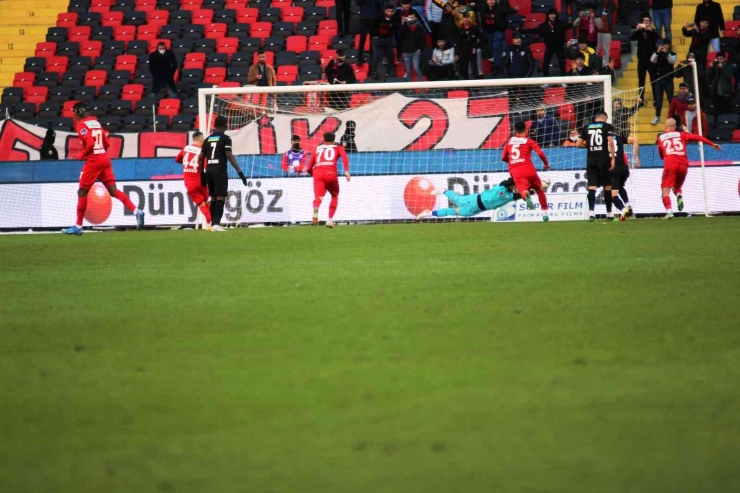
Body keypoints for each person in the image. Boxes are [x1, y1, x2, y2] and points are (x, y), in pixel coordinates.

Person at [62, 102, 145, 235]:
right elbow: (106, 143)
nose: (74, 116)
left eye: (74, 113)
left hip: (93, 161)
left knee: (82, 192)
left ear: (78, 112)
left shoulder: (82, 125)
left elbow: (89, 143)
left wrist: (81, 155)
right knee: (113, 191)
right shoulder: (95, 122)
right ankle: (137, 211)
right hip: (104, 158)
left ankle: (78, 226)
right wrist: (100, 152)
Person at [656, 118, 720, 219]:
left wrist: (664, 156)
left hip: (670, 164)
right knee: (676, 187)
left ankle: (669, 212)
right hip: (683, 165)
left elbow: (660, 153)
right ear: (675, 127)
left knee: (665, 191)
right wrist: (711, 144)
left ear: (665, 127)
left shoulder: (661, 138)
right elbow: (697, 137)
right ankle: (679, 195)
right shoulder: (681, 134)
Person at [198, 116, 248, 232]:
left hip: (209, 169)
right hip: (219, 169)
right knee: (220, 196)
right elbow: (229, 155)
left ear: (215, 126)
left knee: (213, 196)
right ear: (226, 125)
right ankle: (216, 224)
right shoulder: (226, 138)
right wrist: (240, 172)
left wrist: (201, 174)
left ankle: (213, 223)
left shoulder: (207, 139)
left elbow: (201, 157)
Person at [500, 121, 551, 221]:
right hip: (529, 168)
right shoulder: (529, 141)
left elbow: (503, 157)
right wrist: (546, 164)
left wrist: (512, 161)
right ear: (526, 130)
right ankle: (545, 214)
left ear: (515, 131)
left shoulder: (509, 141)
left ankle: (526, 195)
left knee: (523, 191)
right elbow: (540, 153)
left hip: (516, 171)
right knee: (539, 190)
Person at [415, 177, 531, 219]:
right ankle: (443, 190)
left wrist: (534, 188)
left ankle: (427, 213)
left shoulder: (510, 196)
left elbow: (522, 195)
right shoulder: (502, 186)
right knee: (456, 199)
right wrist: (520, 179)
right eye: (515, 186)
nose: (516, 188)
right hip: (474, 200)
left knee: (451, 211)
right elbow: (511, 180)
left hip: (476, 210)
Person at [576, 110, 616, 221]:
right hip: (603, 159)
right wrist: (613, 158)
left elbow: (578, 144)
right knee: (607, 186)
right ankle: (609, 214)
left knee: (592, 187)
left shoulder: (586, 126)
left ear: (596, 118)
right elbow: (611, 142)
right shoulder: (608, 126)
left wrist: (588, 146)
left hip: (591, 160)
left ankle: (592, 213)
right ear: (605, 119)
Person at [306, 131, 350, 228]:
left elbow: (308, 168)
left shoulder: (316, 148)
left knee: (318, 197)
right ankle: (329, 220)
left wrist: (315, 176)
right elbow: (344, 157)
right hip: (331, 173)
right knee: (334, 195)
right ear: (334, 141)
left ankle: (316, 209)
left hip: (318, 173)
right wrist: (346, 171)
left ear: (323, 140)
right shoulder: (338, 147)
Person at [175, 132, 211, 230]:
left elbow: (177, 159)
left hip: (189, 183)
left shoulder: (185, 149)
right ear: (200, 140)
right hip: (200, 181)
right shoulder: (202, 152)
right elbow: (205, 168)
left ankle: (210, 223)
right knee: (206, 202)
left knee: (201, 204)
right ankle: (212, 223)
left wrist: (187, 165)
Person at [526, 8, 572, 81]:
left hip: (559, 47)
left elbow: (570, 25)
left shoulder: (561, 23)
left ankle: (564, 81)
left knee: (562, 63)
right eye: (550, 14)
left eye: (553, 14)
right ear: (548, 15)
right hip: (549, 47)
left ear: (556, 15)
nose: (552, 16)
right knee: (545, 64)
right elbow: (534, 30)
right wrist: (522, 30)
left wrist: (577, 19)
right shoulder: (544, 25)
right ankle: (547, 81)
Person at [478, 0, 518, 74]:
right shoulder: (484, 8)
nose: (491, 1)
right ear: (486, 1)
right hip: (488, 31)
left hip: (498, 31)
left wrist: (514, 10)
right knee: (499, 48)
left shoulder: (499, 8)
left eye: (493, 0)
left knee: (496, 47)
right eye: (489, 0)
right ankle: (505, 61)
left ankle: (498, 67)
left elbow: (507, 10)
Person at [630, 14, 660, 104]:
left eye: (648, 20)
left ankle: (656, 99)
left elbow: (659, 39)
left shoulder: (653, 32)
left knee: (653, 81)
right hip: (642, 60)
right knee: (641, 81)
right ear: (642, 22)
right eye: (644, 20)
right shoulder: (639, 31)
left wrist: (652, 31)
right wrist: (637, 29)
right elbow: (631, 38)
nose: (646, 22)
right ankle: (640, 100)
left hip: (652, 60)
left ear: (650, 22)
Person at [609, 134, 640, 221]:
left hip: (614, 169)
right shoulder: (618, 137)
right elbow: (635, 140)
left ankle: (623, 210)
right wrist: (636, 157)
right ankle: (627, 205)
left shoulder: (604, 139)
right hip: (624, 169)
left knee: (612, 195)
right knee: (620, 187)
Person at [650, 38, 677, 125]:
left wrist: (666, 53)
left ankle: (672, 116)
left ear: (669, 45)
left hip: (668, 80)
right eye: (662, 45)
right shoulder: (657, 54)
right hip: (659, 80)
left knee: (670, 99)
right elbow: (652, 60)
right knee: (658, 99)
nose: (663, 46)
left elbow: (672, 61)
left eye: (665, 44)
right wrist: (658, 51)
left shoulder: (672, 54)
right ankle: (657, 116)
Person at [398, 11, 426, 82]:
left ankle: (420, 85)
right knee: (408, 70)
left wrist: (420, 49)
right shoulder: (404, 27)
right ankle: (410, 87)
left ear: (416, 18)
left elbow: (423, 40)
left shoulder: (420, 29)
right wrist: (402, 23)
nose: (411, 19)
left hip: (416, 52)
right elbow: (399, 37)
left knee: (416, 68)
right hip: (406, 52)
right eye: (409, 17)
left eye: (412, 17)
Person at [370, 5, 396, 79]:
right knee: (375, 56)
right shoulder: (379, 17)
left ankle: (389, 72)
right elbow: (372, 25)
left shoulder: (393, 19)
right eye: (388, 11)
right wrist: (375, 35)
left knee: (391, 55)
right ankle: (374, 72)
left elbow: (393, 29)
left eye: (391, 11)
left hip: (386, 39)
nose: (390, 13)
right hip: (377, 40)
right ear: (385, 11)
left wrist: (389, 37)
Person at [456, 12, 485, 79]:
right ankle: (466, 86)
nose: (466, 19)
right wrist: (458, 53)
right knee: (464, 68)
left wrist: (476, 47)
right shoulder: (460, 29)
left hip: (472, 50)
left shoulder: (475, 28)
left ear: (470, 18)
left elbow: (482, 39)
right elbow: (458, 42)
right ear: (462, 19)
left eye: (467, 17)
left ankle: (476, 87)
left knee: (474, 68)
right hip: (464, 51)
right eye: (465, 17)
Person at [707, 52, 734, 117]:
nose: (719, 61)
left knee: (726, 111)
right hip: (716, 93)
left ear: (724, 59)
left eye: (721, 59)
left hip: (726, 93)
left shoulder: (730, 66)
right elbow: (708, 76)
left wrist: (722, 68)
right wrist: (710, 67)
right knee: (717, 112)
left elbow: (728, 76)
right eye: (718, 59)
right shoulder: (715, 67)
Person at [595, 0, 617, 67]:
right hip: (598, 31)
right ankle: (595, 65)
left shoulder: (611, 5)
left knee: (606, 50)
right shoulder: (598, 5)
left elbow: (614, 7)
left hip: (607, 30)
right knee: (596, 49)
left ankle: (605, 66)